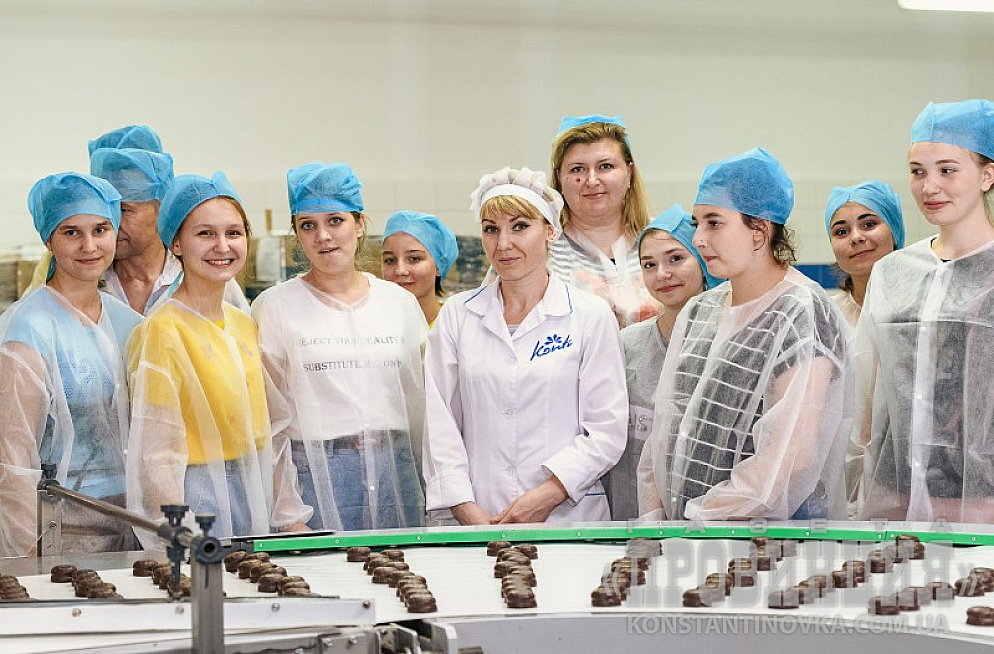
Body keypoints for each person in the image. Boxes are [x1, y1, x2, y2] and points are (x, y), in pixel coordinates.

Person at [637, 148, 851, 521]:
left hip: (769, 539)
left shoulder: (803, 313)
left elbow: (790, 458)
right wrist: (657, 523)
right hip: (684, 535)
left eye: (714, 223)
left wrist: (697, 519)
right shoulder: (699, 311)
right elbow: (664, 433)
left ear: (759, 231)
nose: (699, 239)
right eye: (697, 223)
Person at [424, 167, 627, 525]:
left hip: (567, 517)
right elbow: (439, 423)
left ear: (550, 231)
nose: (503, 244)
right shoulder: (458, 315)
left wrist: (548, 494)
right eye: (491, 229)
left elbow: (607, 428)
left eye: (520, 227)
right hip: (479, 514)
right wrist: (464, 508)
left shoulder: (589, 315)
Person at [126, 172, 310, 548]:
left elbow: (271, 432)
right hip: (197, 499)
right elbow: (156, 457)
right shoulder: (162, 330)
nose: (222, 246)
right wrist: (179, 532)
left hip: (252, 490)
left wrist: (289, 518)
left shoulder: (243, 324)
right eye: (205, 233)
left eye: (233, 232)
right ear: (176, 243)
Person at [253, 163, 427, 531]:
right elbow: (268, 423)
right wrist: (288, 514)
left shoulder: (398, 303)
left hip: (397, 473)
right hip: (317, 476)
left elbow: (424, 408)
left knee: (403, 567)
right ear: (297, 234)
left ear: (359, 224)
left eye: (335, 220)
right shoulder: (275, 306)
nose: (323, 236)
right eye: (308, 225)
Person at [854, 99, 994, 522]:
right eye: (918, 172)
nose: (930, 187)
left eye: (947, 170)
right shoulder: (892, 272)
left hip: (981, 505)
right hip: (893, 499)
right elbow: (867, 396)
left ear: (987, 175)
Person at [0, 173, 142, 557]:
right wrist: (29, 552)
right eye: (71, 232)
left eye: (100, 229)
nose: (89, 246)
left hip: (134, 518)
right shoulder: (28, 328)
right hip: (60, 520)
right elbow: (13, 457)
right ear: (48, 241)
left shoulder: (129, 323)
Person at [28, 128, 251, 314]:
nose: (112, 224)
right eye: (105, 213)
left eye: (124, 210)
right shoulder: (70, 269)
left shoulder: (202, 271)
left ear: (161, 209)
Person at [603, 204, 722, 521]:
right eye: (649, 264)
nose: (662, 274)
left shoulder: (729, 343)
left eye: (676, 258)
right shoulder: (627, 345)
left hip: (710, 522)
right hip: (631, 519)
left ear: (702, 260)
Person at [546, 114, 656, 328]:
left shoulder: (667, 240)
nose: (592, 180)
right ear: (559, 178)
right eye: (577, 169)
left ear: (629, 173)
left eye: (605, 166)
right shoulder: (539, 248)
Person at [824, 180, 905, 327]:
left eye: (869, 224)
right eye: (842, 231)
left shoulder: (925, 304)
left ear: (895, 232)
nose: (856, 237)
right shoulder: (827, 318)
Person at [381, 210, 459, 327]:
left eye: (414, 259)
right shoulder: (372, 327)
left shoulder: (455, 327)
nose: (400, 271)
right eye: (390, 260)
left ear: (439, 266)